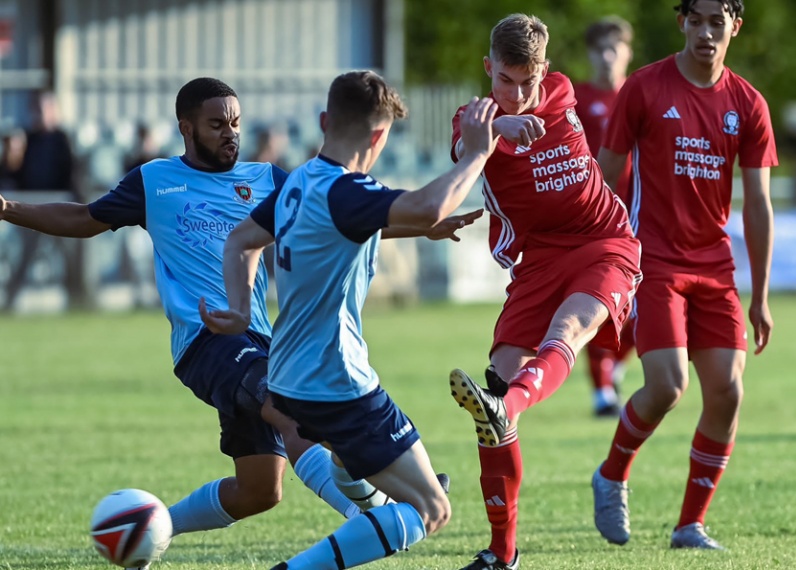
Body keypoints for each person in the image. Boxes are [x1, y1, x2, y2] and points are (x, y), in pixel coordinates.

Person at [0, 77, 389, 569]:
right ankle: (371, 513)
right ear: (186, 127)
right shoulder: (155, 181)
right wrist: (8, 208)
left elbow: (338, 211)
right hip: (205, 341)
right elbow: (83, 218)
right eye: (216, 124)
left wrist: (424, 220)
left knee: (259, 491)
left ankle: (155, 524)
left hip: (259, 338)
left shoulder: (268, 179)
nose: (230, 133)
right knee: (290, 409)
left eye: (236, 123)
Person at [200, 70, 495, 570]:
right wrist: (476, 153)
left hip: (288, 376)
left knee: (348, 465)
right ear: (380, 136)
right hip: (337, 381)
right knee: (430, 509)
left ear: (323, 120)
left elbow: (241, 241)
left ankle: (371, 505)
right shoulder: (345, 191)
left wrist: (241, 310)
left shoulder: (301, 181)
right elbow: (424, 205)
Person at [447, 13, 642, 570]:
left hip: (606, 242)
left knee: (569, 332)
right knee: (499, 393)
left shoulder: (562, 92)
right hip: (536, 263)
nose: (517, 93)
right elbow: (465, 139)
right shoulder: (474, 119)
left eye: (527, 82)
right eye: (504, 81)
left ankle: (507, 405)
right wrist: (494, 132)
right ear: (489, 71)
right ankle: (501, 552)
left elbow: (558, 94)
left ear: (546, 73)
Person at [590, 0, 776, 550]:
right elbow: (603, 177)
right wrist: (596, 254)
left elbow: (758, 205)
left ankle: (690, 525)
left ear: (734, 28)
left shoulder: (748, 103)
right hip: (656, 263)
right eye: (696, 20)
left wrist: (760, 295)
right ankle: (612, 474)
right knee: (669, 386)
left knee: (728, 393)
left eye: (717, 22)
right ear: (683, 24)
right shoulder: (644, 89)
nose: (706, 32)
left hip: (715, 268)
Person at [572, 15, 636, 417]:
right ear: (590, 54)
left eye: (616, 47)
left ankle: (615, 364)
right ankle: (601, 392)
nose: (608, 56)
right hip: (593, 221)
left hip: (641, 217)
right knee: (596, 303)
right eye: (600, 49)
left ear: (629, 52)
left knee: (643, 309)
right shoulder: (577, 98)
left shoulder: (642, 94)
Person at [3, 90, 81, 310]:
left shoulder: (61, 139)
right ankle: (10, 301)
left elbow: (71, 173)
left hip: (58, 205)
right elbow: (15, 173)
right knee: (25, 255)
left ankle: (76, 299)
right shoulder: (27, 139)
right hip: (33, 206)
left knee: (67, 256)